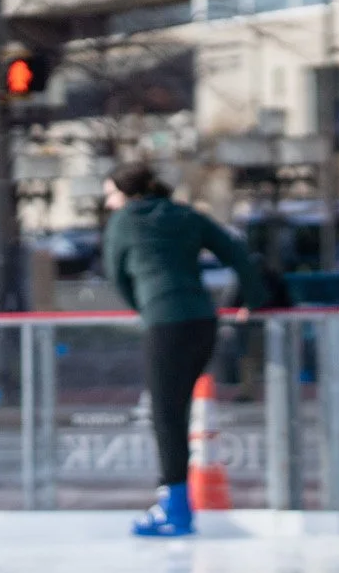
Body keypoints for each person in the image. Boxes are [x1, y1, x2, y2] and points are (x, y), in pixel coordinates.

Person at [102, 162, 269, 537]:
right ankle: (175, 502)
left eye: (111, 195)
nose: (110, 204)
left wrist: (143, 308)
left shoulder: (125, 221)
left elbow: (116, 273)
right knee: (176, 409)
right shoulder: (184, 214)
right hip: (203, 321)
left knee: (166, 414)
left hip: (165, 324)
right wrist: (253, 298)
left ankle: (176, 507)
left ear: (127, 194)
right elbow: (235, 251)